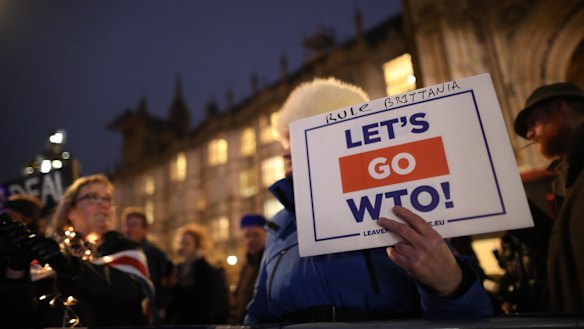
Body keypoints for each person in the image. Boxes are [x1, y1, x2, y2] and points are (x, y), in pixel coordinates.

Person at [244, 78, 493, 324]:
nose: (285, 152)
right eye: (286, 142)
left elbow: (468, 315)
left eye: (299, 138)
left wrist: (451, 285)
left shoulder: (398, 212)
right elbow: (258, 314)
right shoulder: (279, 227)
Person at [0, 174, 156, 327]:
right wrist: (16, 268)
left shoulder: (127, 250)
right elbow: (18, 317)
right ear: (70, 211)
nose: (104, 204)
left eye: (108, 199)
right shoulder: (48, 254)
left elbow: (129, 296)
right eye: (93, 197)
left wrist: (70, 266)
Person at [513, 82, 584, 312]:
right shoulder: (566, 178)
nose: (531, 134)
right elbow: (565, 252)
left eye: (532, 122)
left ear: (559, 106)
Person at [167, 223, 230, 325]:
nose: (181, 247)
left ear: (197, 246)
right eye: (180, 242)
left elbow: (211, 304)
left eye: (187, 243)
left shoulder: (208, 271)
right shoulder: (176, 269)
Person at [122, 207, 173, 321]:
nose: (130, 229)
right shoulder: (119, 253)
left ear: (145, 229)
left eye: (134, 225)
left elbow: (166, 283)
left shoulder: (155, 254)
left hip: (150, 310)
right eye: (127, 225)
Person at [229, 214, 267, 324]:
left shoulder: (269, 262)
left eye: (255, 235)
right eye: (247, 236)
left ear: (266, 234)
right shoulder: (246, 265)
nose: (250, 240)